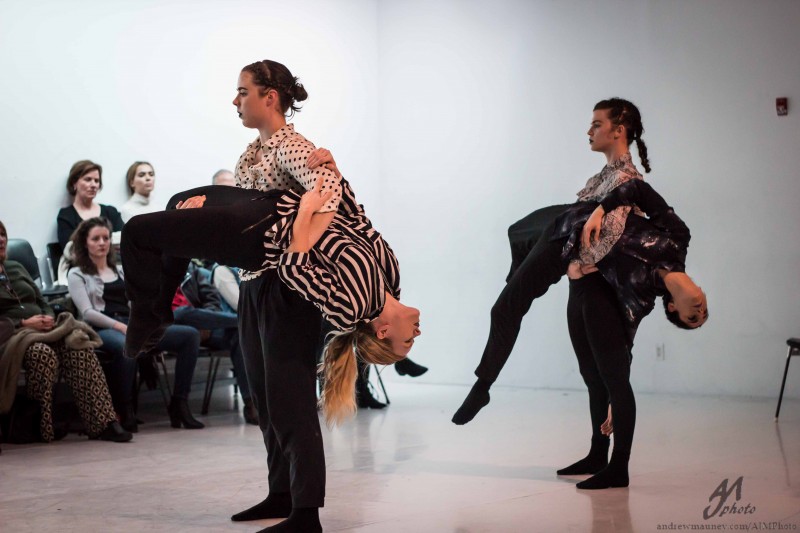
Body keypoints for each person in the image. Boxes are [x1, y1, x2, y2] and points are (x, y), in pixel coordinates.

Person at [121, 59, 420, 533]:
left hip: (287, 286)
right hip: (254, 277)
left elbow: (329, 195)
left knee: (288, 398)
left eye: (243, 91)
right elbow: (350, 214)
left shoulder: (293, 146)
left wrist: (310, 210)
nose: (236, 100)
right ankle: (279, 493)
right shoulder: (249, 155)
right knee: (261, 392)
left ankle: (306, 513)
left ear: (270, 98)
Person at [452, 98, 707, 490]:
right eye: (703, 311)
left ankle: (613, 466)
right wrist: (600, 211)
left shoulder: (642, 293)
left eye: (692, 319)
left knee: (602, 374)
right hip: (570, 232)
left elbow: (627, 335)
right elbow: (638, 191)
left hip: (576, 263)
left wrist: (582, 258)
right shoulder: (678, 239)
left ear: (673, 308)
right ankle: (596, 453)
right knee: (516, 238)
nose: (700, 311)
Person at [66, 217, 205, 431]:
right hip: (103, 327)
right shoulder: (76, 273)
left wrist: (145, 321)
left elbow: (136, 301)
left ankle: (180, 403)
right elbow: (87, 313)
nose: (102, 243)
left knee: (189, 335)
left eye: (105, 238)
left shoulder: (120, 270)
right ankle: (124, 409)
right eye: (96, 239)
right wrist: (122, 327)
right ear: (85, 243)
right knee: (126, 346)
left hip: (132, 323)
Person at [0, 220, 131, 443]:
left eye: (3, 234)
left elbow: (42, 300)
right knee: (42, 354)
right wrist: (23, 323)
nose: (2, 239)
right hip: (12, 334)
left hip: (44, 328)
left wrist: (48, 317)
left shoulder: (15, 267)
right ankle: (42, 427)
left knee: (79, 344)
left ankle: (104, 422)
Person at [56, 160, 124, 250]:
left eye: (96, 181)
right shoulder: (66, 215)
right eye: (88, 179)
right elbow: (70, 248)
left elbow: (124, 239)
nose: (93, 185)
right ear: (74, 183)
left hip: (113, 263)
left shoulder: (110, 211)